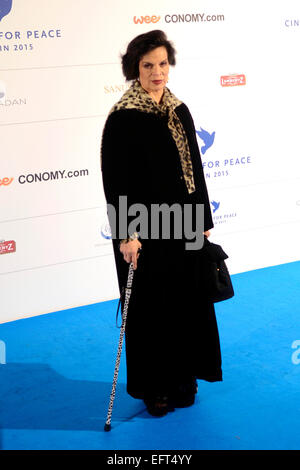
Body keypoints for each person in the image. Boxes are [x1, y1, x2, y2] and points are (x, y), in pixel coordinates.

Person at [101, 30, 222, 417]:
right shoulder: (123, 118)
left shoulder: (178, 109)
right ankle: (157, 388)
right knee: (152, 309)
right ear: (134, 68)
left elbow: (195, 170)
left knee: (187, 303)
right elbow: (115, 179)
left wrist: (201, 219)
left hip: (183, 224)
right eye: (148, 65)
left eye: (163, 64)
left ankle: (185, 378)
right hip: (145, 229)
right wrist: (126, 234)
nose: (157, 72)